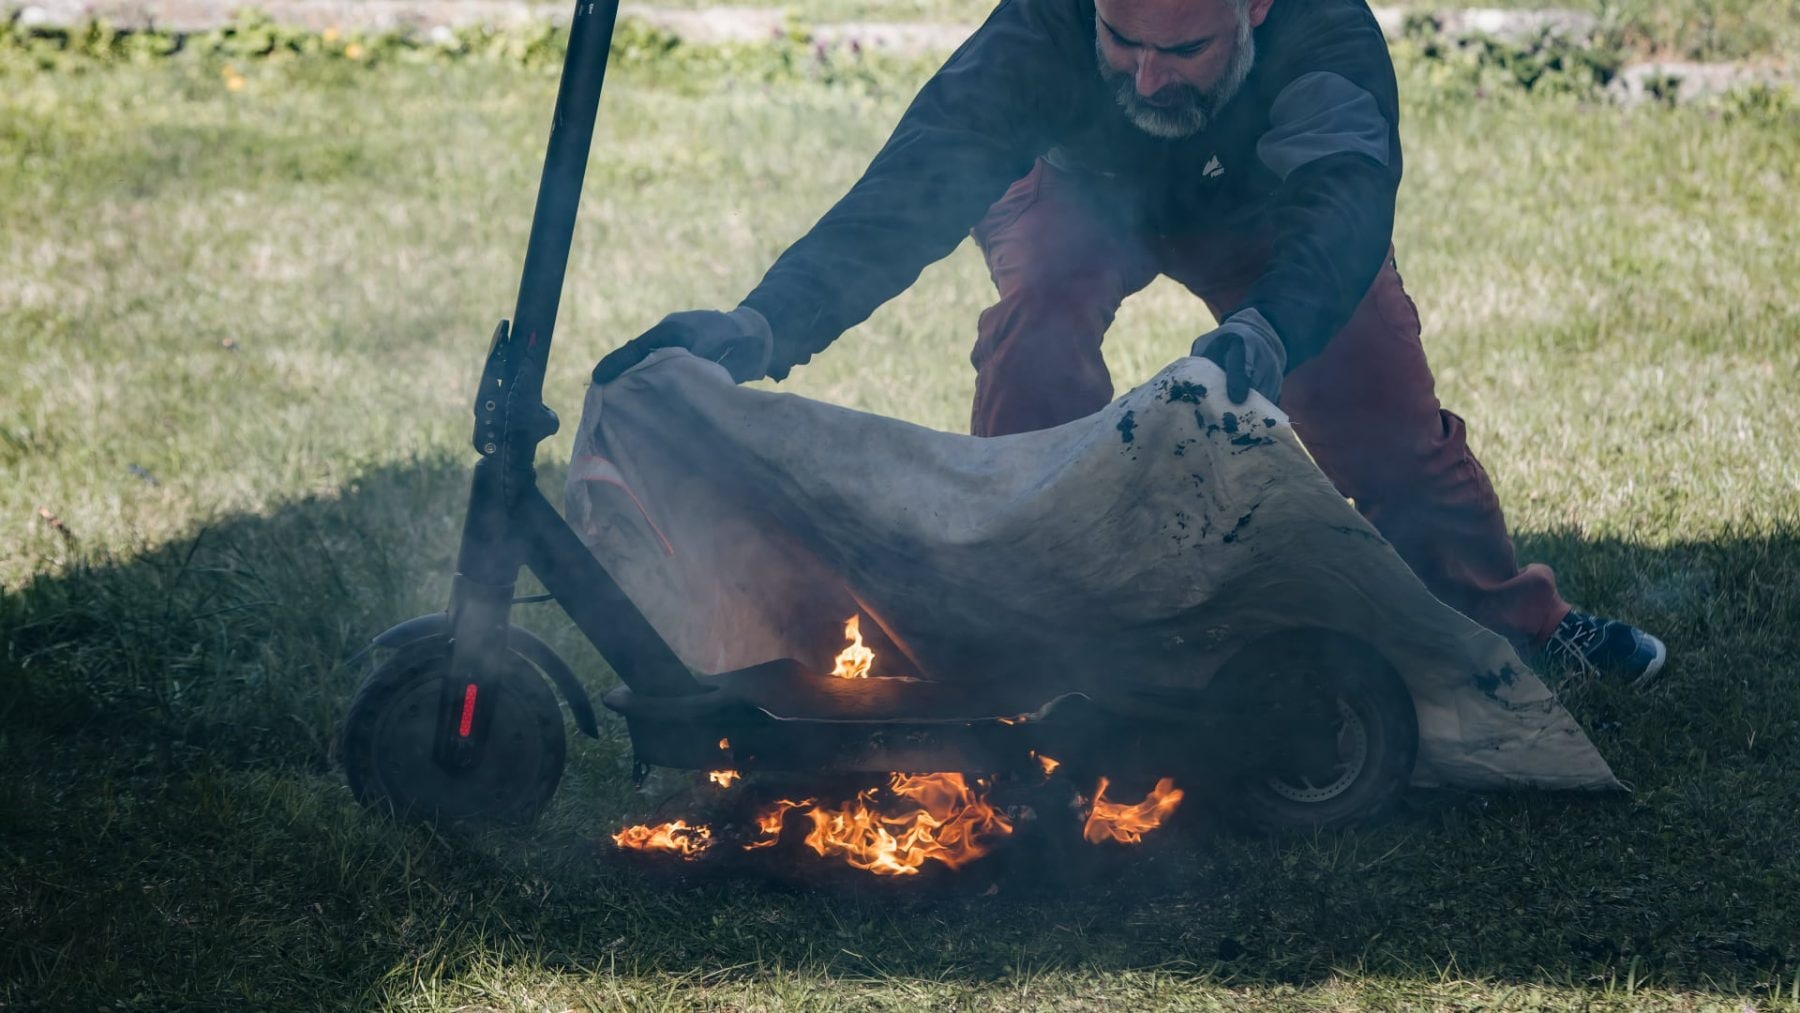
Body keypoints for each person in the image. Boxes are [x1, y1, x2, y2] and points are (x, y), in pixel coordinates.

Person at [593, 0, 1666, 683]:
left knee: (1385, 420)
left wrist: (1267, 331)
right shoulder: (1036, 35)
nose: (1149, 79)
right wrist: (765, 322)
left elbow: (1343, 208)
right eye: (1123, 41)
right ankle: (1026, 642)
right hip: (1075, 192)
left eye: (1186, 48)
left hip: (1268, 218)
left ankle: (1518, 627)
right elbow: (910, 192)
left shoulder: (1325, 38)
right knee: (1039, 328)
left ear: (1255, 7)